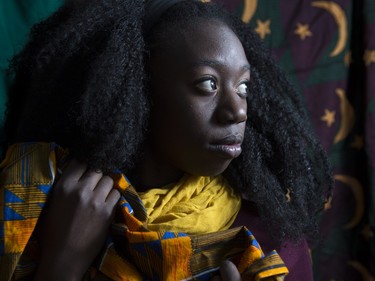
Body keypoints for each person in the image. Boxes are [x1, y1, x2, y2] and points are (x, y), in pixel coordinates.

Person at [0, 0, 332, 280]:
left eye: (243, 86)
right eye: (207, 83)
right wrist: (62, 263)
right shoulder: (39, 208)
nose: (238, 111)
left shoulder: (272, 240)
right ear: (137, 93)